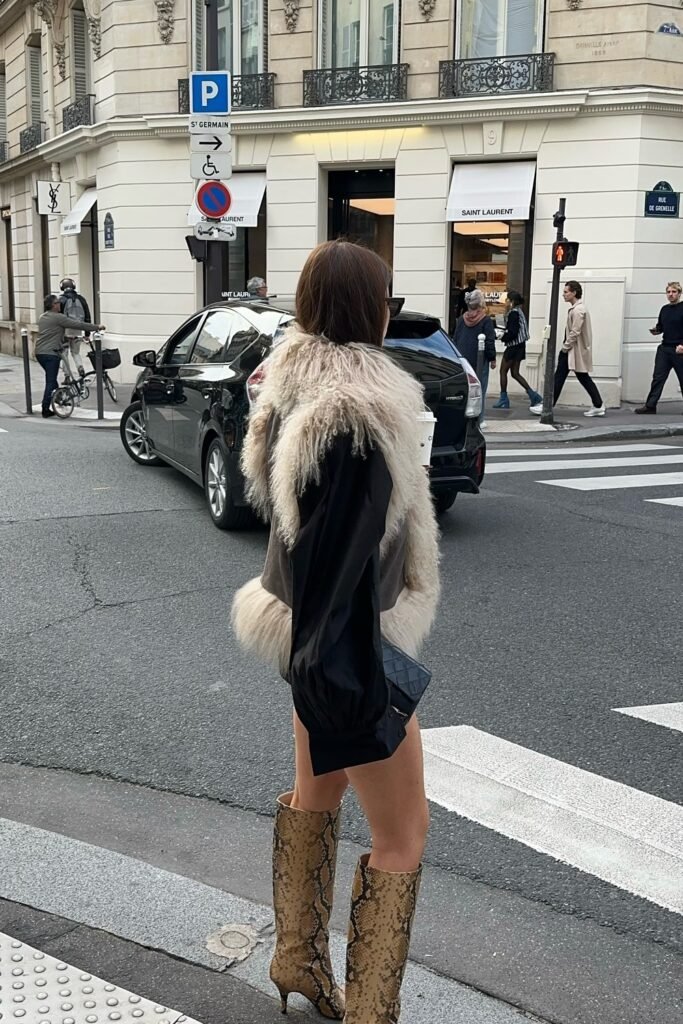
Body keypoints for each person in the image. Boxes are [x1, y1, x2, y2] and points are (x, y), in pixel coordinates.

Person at [231, 239, 440, 1023]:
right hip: (349, 650)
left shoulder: (290, 385)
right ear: (371, 309)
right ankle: (371, 1013)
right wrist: (347, 679)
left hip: (304, 642)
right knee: (403, 836)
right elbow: (342, 564)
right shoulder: (355, 414)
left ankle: (297, 958)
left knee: (315, 794)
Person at [531, 281, 605, 417]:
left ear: (574, 293)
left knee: (562, 377)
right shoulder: (578, 309)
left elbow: (575, 332)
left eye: (566, 292)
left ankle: (547, 405)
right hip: (573, 350)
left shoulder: (578, 310)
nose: (563, 295)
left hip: (572, 350)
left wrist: (565, 347)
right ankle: (598, 404)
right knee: (574, 377)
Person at [35, 295, 104, 417]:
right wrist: (96, 327)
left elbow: (51, 333)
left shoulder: (42, 317)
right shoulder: (58, 317)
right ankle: (45, 408)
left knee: (52, 379)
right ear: (52, 305)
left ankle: (59, 400)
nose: (59, 304)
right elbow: (77, 324)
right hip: (51, 353)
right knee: (50, 381)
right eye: (57, 302)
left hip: (40, 353)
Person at [635, 281, 683, 414]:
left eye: (674, 292)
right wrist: (656, 330)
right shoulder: (664, 309)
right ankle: (650, 406)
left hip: (679, 349)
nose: (671, 295)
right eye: (668, 292)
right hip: (664, 348)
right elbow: (661, 326)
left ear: (679, 293)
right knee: (658, 378)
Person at [453, 288, 496, 426]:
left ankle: (464, 417)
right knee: (480, 389)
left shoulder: (461, 319)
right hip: (479, 359)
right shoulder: (485, 320)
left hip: (463, 359)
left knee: (465, 389)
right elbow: (489, 340)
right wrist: (492, 358)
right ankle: (480, 418)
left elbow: (455, 338)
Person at [493, 290, 542, 409]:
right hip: (520, 346)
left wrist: (501, 336)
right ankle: (533, 395)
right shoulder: (519, 312)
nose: (506, 302)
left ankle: (503, 399)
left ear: (512, 301)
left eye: (507, 300)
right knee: (515, 373)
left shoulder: (513, 313)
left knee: (503, 371)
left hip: (513, 347)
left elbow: (513, 332)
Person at [59, 277, 92, 379]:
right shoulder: (81, 299)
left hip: (65, 330)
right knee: (76, 353)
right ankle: (80, 368)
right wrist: (87, 334)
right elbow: (87, 316)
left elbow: (58, 317)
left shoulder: (61, 300)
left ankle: (67, 376)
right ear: (73, 286)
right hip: (78, 329)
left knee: (64, 354)